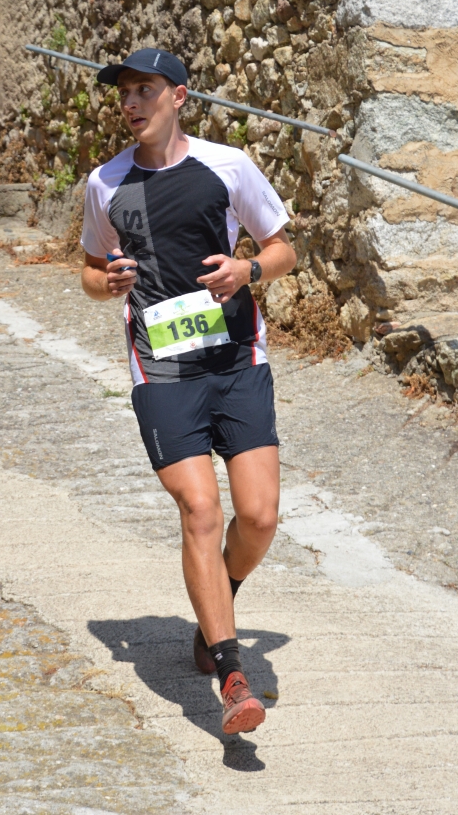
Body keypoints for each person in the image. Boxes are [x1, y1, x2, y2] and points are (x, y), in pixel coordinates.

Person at [81, 47, 296, 735]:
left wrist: (247, 271)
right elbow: (90, 269)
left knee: (258, 517)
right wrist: (107, 282)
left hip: (236, 359)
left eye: (144, 90)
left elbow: (284, 249)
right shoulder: (105, 183)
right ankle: (232, 676)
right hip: (162, 367)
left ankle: (215, 606)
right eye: (124, 93)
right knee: (201, 509)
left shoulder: (228, 166)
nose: (131, 103)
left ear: (178, 96)